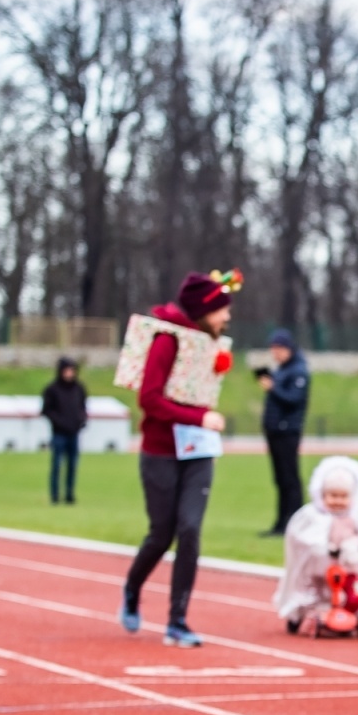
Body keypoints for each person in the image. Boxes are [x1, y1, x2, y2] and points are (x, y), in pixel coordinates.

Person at [118, 271, 233, 648]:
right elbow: (148, 399)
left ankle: (177, 621)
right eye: (222, 309)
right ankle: (132, 588)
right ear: (204, 310)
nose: (227, 316)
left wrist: (205, 424)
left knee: (190, 529)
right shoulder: (167, 340)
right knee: (161, 534)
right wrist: (199, 418)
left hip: (198, 451)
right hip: (161, 450)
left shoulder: (208, 344)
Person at [274, 456, 358, 636]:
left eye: (343, 496)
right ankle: (303, 614)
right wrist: (320, 547)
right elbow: (300, 537)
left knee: (353, 593)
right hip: (319, 568)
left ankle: (347, 614)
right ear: (322, 494)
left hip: (346, 568)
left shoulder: (355, 519)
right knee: (314, 591)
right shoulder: (311, 515)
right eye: (333, 496)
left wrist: (351, 548)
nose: (338, 501)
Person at [258, 329, 310, 536]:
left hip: (287, 430)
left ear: (288, 348)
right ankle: (281, 524)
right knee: (280, 479)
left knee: (290, 479)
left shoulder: (298, 370)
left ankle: (295, 522)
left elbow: (294, 399)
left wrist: (272, 387)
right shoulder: (282, 369)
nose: (275, 353)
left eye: (278, 348)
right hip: (275, 430)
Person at [41, 356, 89, 504]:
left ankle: (69, 494)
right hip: (59, 433)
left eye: (72, 370)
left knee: (72, 465)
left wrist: (81, 420)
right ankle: (55, 495)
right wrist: (59, 422)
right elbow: (46, 410)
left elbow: (83, 407)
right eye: (67, 370)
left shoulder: (79, 388)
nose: (69, 373)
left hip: (74, 432)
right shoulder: (52, 389)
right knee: (57, 464)